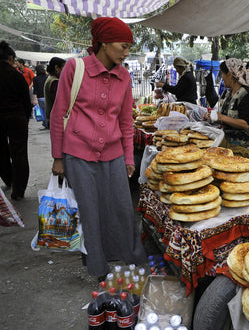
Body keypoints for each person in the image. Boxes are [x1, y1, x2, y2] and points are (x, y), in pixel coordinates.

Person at [50, 17, 146, 279]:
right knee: (89, 211)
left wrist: (129, 157)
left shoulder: (124, 76)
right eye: (123, 46)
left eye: (129, 47)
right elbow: (59, 113)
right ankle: (98, 267)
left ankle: (131, 257)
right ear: (104, 42)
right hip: (77, 153)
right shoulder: (75, 67)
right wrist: (58, 157)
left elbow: (126, 121)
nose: (127, 53)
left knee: (122, 208)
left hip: (113, 153)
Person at [203, 58, 249, 160]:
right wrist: (212, 116)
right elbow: (222, 115)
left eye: (223, 74)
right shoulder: (227, 93)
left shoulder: (246, 95)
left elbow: (247, 124)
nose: (222, 78)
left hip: (245, 150)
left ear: (229, 74)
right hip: (228, 146)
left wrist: (222, 118)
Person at [0, 41, 32, 201]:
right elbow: (26, 100)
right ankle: (18, 191)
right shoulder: (16, 75)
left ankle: (8, 178)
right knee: (19, 154)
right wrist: (26, 117)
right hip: (16, 117)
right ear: (11, 57)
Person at [44, 57, 66, 127]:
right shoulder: (55, 82)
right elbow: (60, 102)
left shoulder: (50, 78)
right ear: (57, 68)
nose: (66, 71)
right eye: (64, 67)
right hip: (57, 119)